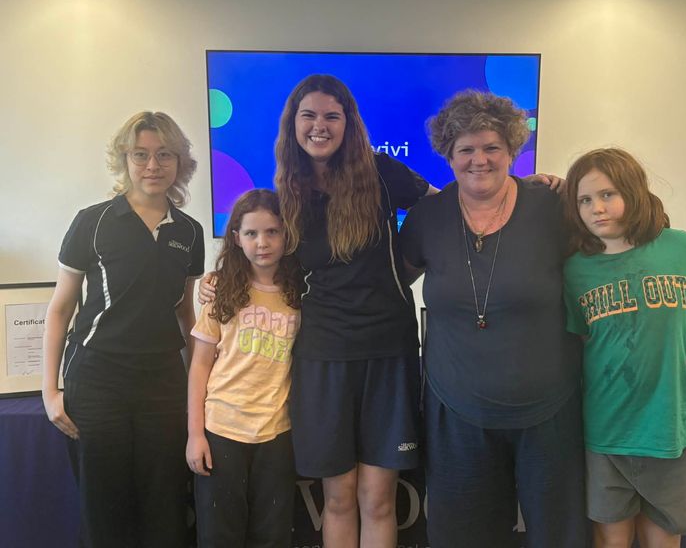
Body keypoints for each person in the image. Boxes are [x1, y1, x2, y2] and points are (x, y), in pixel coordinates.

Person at [201, 74, 433, 547]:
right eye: (308, 115)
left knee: (378, 500)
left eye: (332, 115)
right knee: (340, 498)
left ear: (349, 123)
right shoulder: (287, 192)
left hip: (388, 354)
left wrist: (519, 189)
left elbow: (447, 206)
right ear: (293, 124)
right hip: (322, 358)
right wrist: (217, 279)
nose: (319, 126)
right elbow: (258, 249)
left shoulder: (382, 174)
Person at [399, 90, 588, 547]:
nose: (479, 160)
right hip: (457, 415)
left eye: (492, 147)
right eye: (466, 149)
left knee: (558, 537)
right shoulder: (428, 217)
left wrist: (683, 325)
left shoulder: (553, 207)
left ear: (512, 151)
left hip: (549, 414)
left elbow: (618, 257)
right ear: (448, 154)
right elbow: (389, 285)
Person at [561, 147, 686, 548]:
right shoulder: (574, 269)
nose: (596, 208)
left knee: (662, 540)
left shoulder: (681, 248)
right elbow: (581, 344)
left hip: (670, 431)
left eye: (607, 194)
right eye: (584, 200)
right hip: (605, 432)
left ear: (633, 192)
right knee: (610, 541)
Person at [42, 111, 204, 547]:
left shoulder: (190, 232)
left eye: (164, 154)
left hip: (163, 386)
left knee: (164, 507)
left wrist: (200, 388)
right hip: (97, 382)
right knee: (103, 510)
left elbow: (185, 313)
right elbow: (60, 309)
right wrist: (49, 390)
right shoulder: (92, 222)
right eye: (141, 154)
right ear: (125, 160)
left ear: (180, 162)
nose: (153, 165)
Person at [187, 189, 302, 548]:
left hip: (277, 433)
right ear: (236, 238)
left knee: (273, 536)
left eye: (272, 232)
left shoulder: (301, 292)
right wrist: (195, 435)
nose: (262, 243)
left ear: (286, 234)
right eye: (251, 233)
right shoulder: (220, 289)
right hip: (221, 430)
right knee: (220, 535)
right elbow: (199, 365)